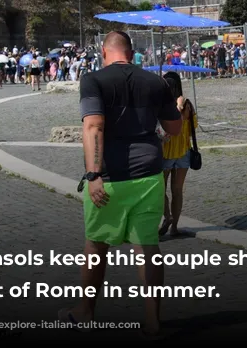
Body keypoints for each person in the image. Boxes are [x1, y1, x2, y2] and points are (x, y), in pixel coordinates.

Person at [58, 31, 182, 338]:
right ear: (131, 52)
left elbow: (93, 125)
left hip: (110, 175)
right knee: (148, 248)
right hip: (149, 175)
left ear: (104, 52)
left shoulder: (93, 80)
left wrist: (93, 173)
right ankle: (153, 321)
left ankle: (85, 312)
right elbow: (174, 128)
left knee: (96, 246)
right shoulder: (157, 82)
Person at [158, 72, 197, 237]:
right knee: (177, 190)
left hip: (166, 152)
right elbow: (192, 127)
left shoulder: (162, 104)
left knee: (160, 189)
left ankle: (168, 217)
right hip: (183, 151)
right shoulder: (187, 104)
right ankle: (174, 227)